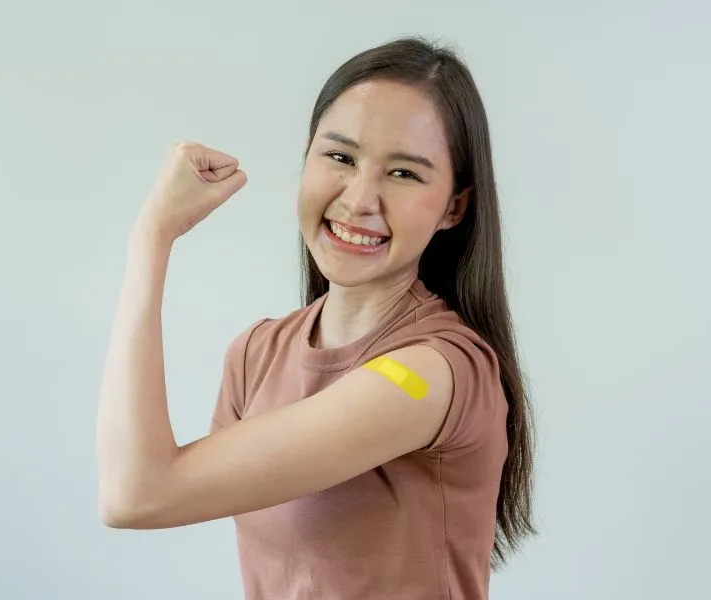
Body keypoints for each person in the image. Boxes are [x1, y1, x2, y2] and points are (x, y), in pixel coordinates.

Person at [97, 36, 535, 600]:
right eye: (340, 157)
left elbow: (137, 493)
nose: (359, 200)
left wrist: (151, 238)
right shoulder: (257, 353)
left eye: (403, 174)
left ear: (454, 207)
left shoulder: (433, 373)